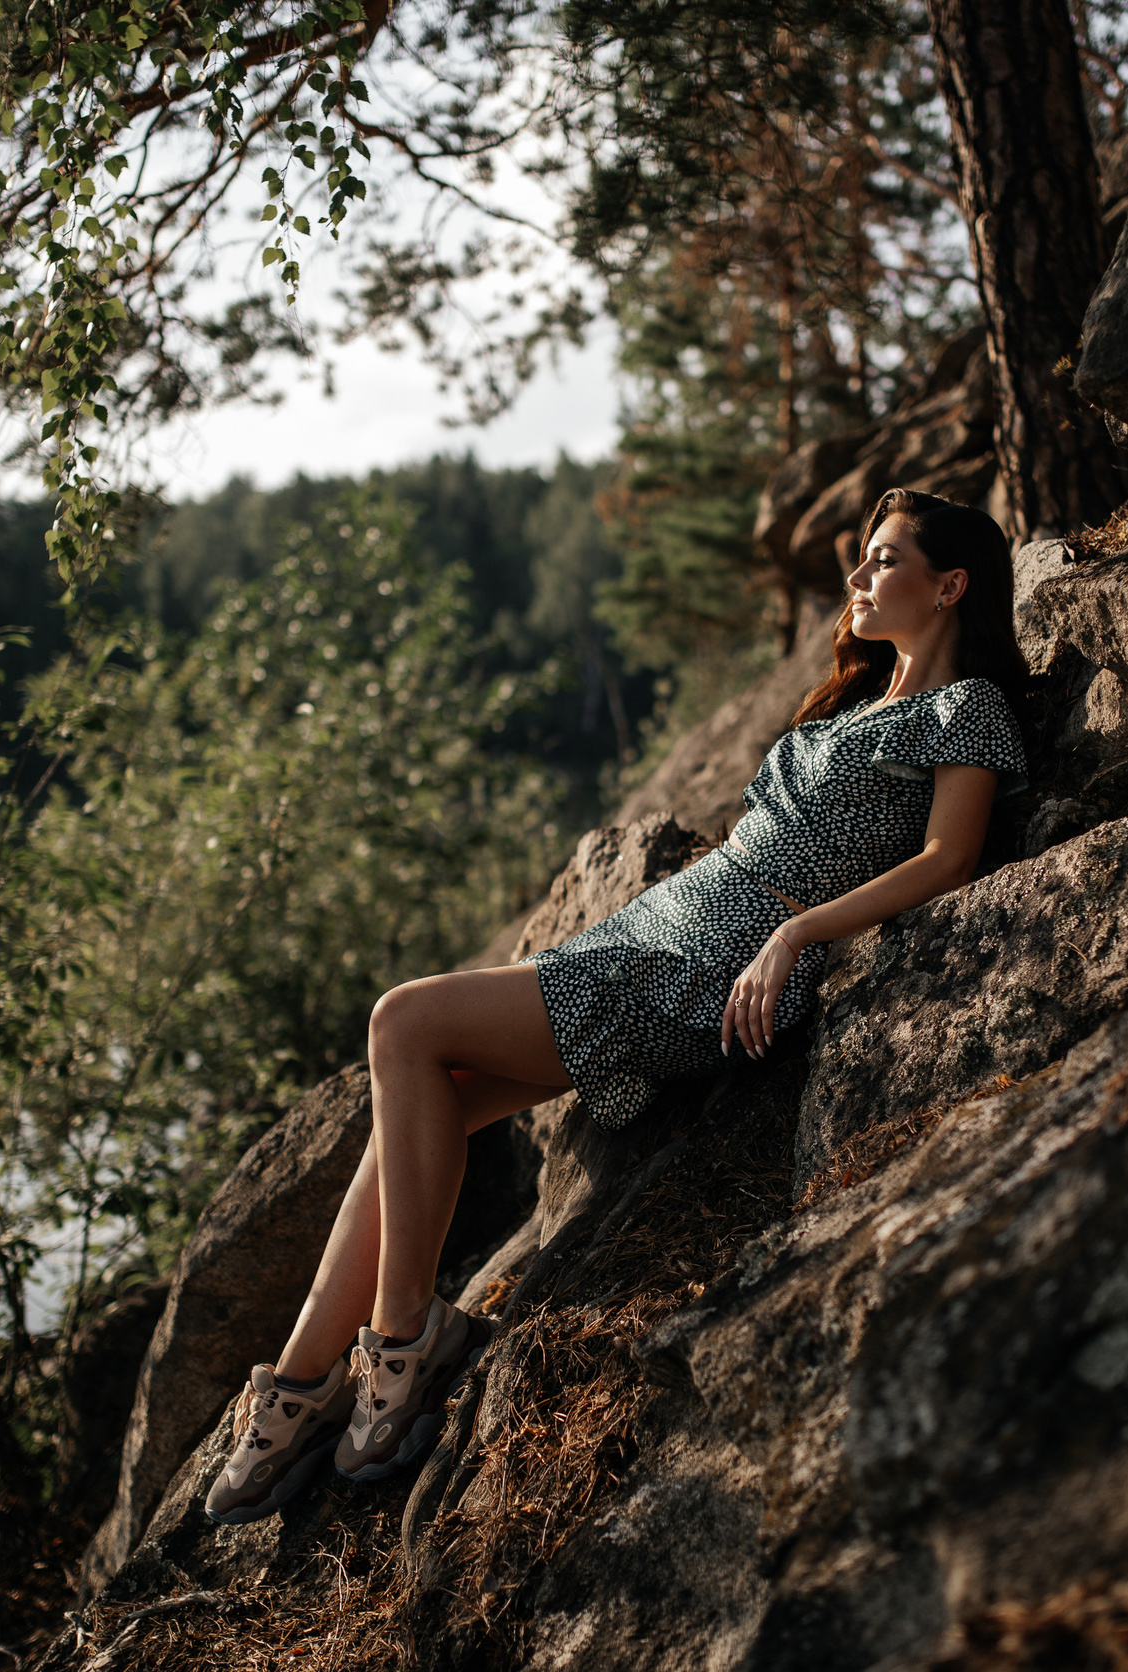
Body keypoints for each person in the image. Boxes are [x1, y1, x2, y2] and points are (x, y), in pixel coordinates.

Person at [203, 488, 1031, 1524]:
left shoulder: (967, 709)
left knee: (401, 1021)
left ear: (950, 584)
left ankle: (407, 1344)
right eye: (861, 560)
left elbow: (949, 859)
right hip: (659, 927)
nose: (859, 577)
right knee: (432, 1096)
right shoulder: (853, 704)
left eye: (883, 559)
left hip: (715, 960)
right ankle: (300, 1385)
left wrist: (796, 933)